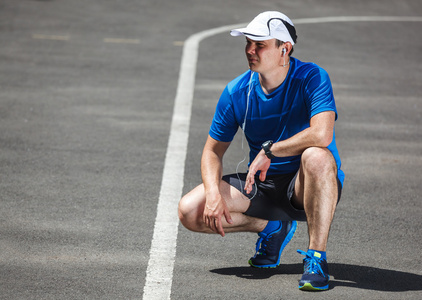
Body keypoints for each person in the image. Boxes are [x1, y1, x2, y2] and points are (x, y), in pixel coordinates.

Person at [178, 11, 344, 291]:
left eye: (260, 45)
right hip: (263, 186)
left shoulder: (312, 77)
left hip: (305, 186)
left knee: (316, 156)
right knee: (190, 211)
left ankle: (316, 257)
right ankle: (271, 228)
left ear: (284, 49)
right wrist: (214, 195)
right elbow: (212, 152)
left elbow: (322, 133)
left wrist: (270, 151)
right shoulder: (237, 91)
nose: (250, 50)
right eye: (248, 43)